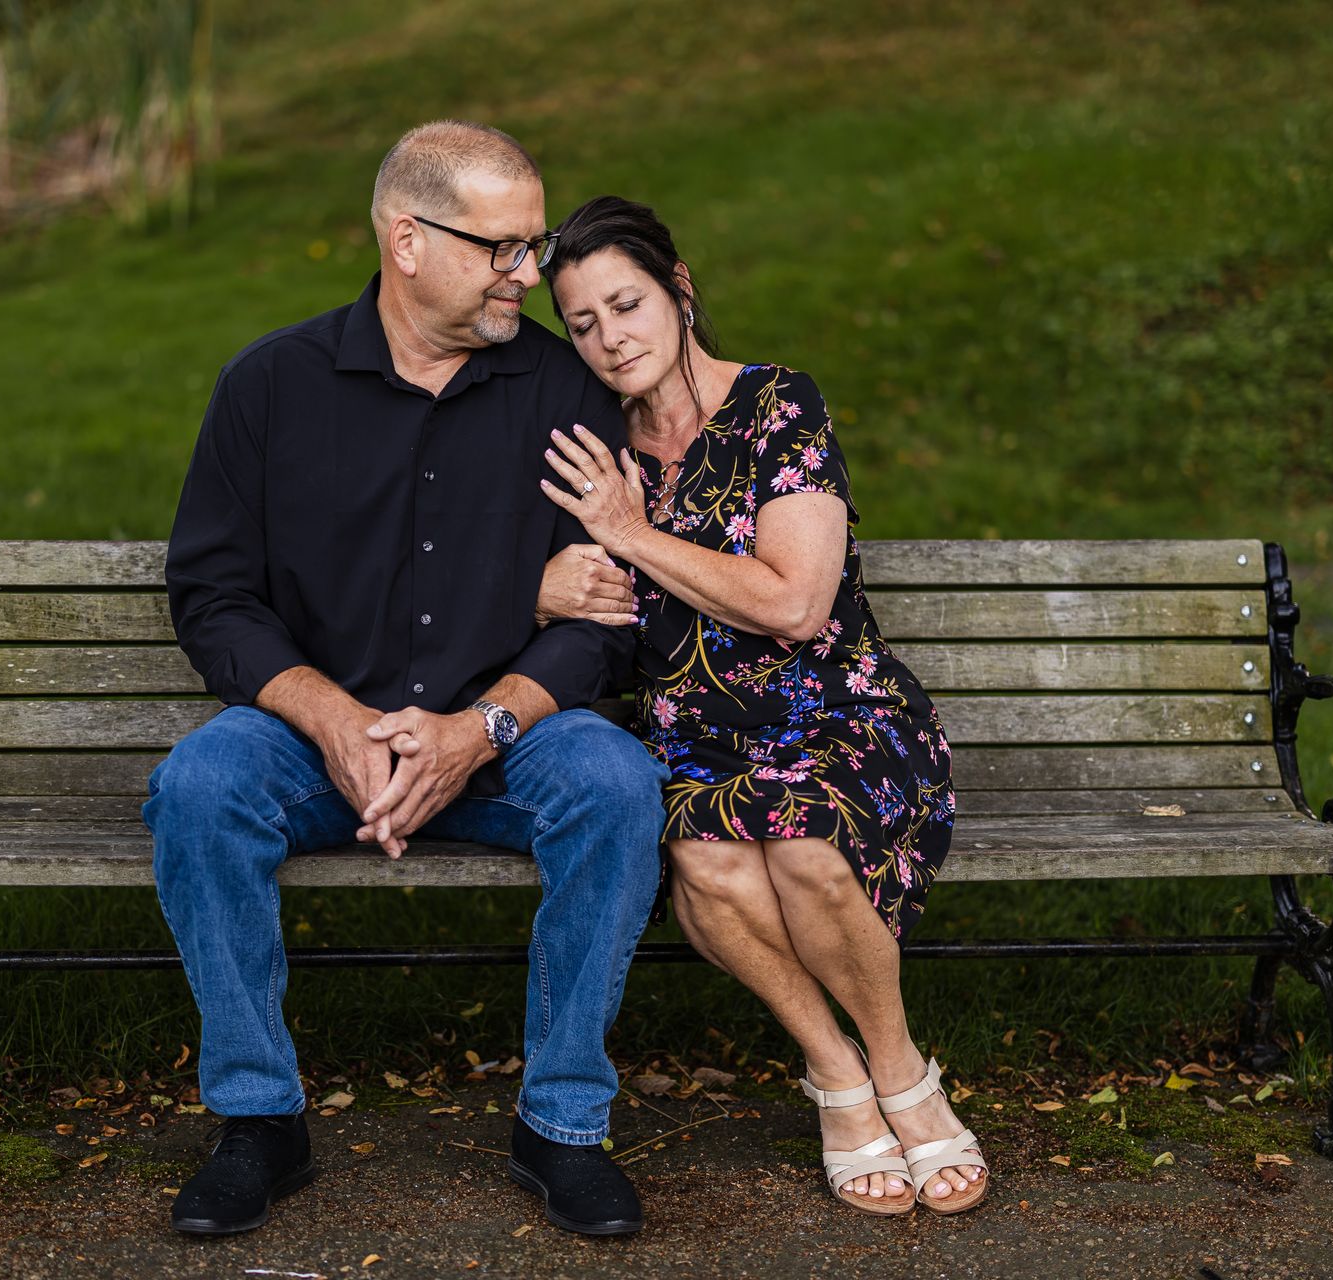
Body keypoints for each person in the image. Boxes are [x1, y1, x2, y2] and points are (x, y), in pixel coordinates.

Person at [144, 125, 668, 1239]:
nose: (531, 275)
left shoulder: (563, 388)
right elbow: (215, 595)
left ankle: (562, 1122)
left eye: (534, 246)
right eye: (504, 248)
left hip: (505, 730)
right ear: (409, 240)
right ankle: (259, 1120)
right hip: (315, 732)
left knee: (616, 784)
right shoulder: (272, 386)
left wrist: (480, 727)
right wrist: (332, 719)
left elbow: (607, 620)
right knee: (200, 786)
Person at [532, 196, 988, 1216]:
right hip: (690, 740)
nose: (611, 337)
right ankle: (836, 1071)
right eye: (583, 322)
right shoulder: (585, 446)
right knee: (706, 859)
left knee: (804, 843)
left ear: (680, 292)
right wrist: (543, 585)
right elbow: (539, 583)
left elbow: (793, 602)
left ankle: (901, 1067)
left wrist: (630, 532)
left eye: (627, 302)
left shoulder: (779, 405)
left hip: (840, 718)